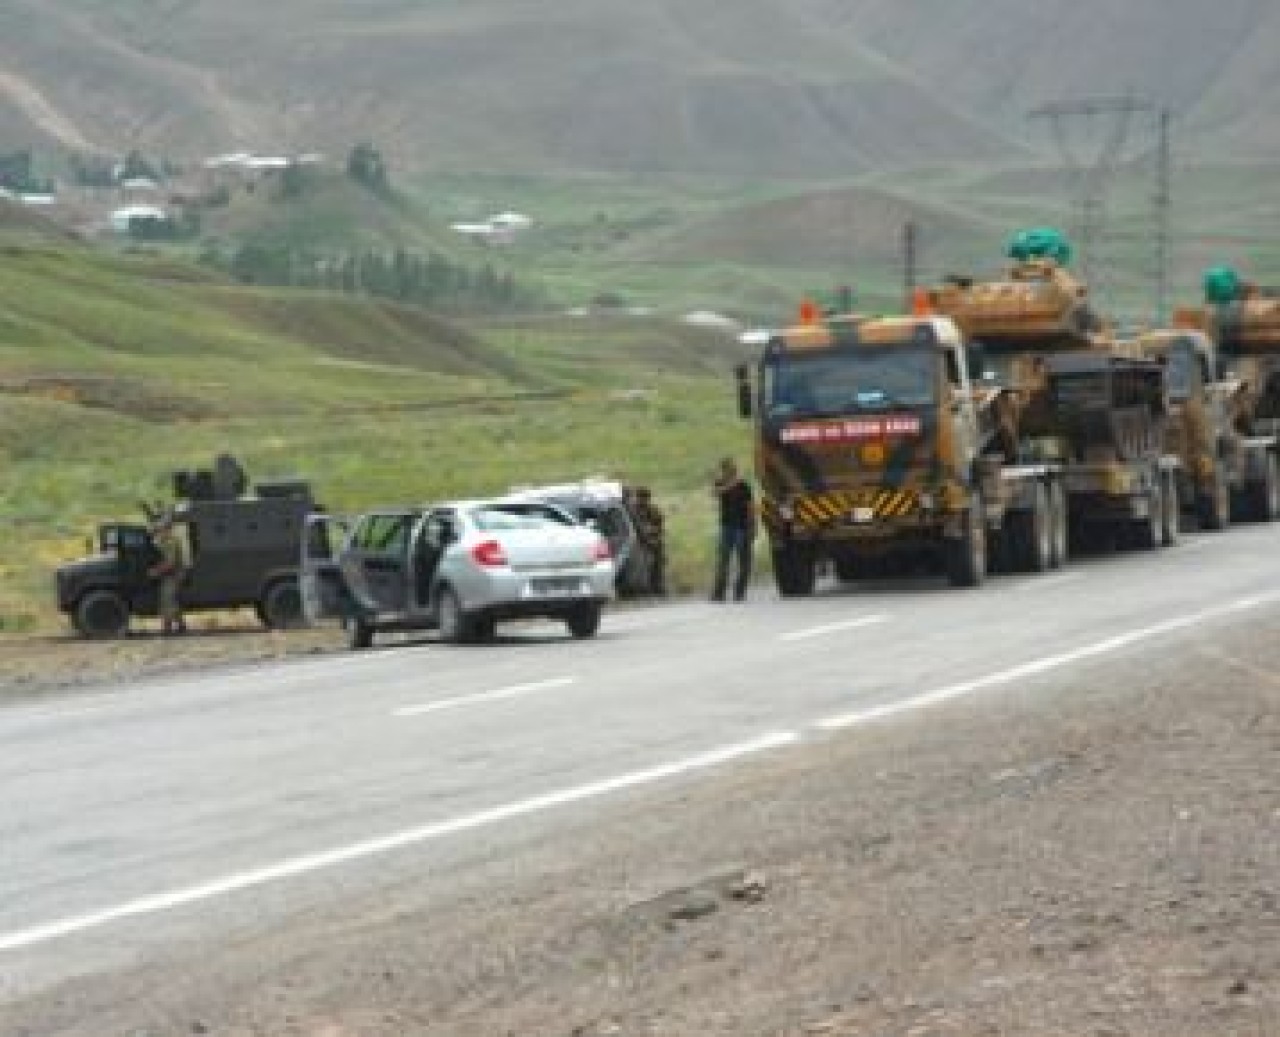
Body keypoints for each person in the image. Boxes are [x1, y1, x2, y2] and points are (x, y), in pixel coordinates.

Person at [712, 458, 755, 601]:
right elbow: (715, 493)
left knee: (744, 560)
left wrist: (752, 526)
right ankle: (719, 592)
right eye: (724, 469)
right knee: (723, 560)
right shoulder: (721, 483)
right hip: (727, 526)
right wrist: (731, 484)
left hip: (742, 526)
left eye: (729, 469)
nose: (726, 472)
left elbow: (750, 506)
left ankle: (739, 592)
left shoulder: (743, 485)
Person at [148, 511, 191, 635]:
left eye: (161, 528)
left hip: (176, 573)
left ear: (167, 529)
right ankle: (180, 625)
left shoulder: (171, 541)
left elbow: (170, 563)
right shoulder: (162, 540)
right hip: (170, 573)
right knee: (170, 598)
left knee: (167, 597)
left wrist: (155, 571)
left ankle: (168, 627)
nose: (159, 531)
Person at [631, 485, 666, 595]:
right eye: (640, 498)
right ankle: (645, 587)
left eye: (644, 498)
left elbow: (659, 527)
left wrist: (654, 535)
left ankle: (657, 585)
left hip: (651, 540)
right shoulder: (632, 511)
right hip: (638, 541)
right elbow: (633, 528)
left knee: (658, 561)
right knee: (643, 562)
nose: (641, 501)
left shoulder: (653, 511)